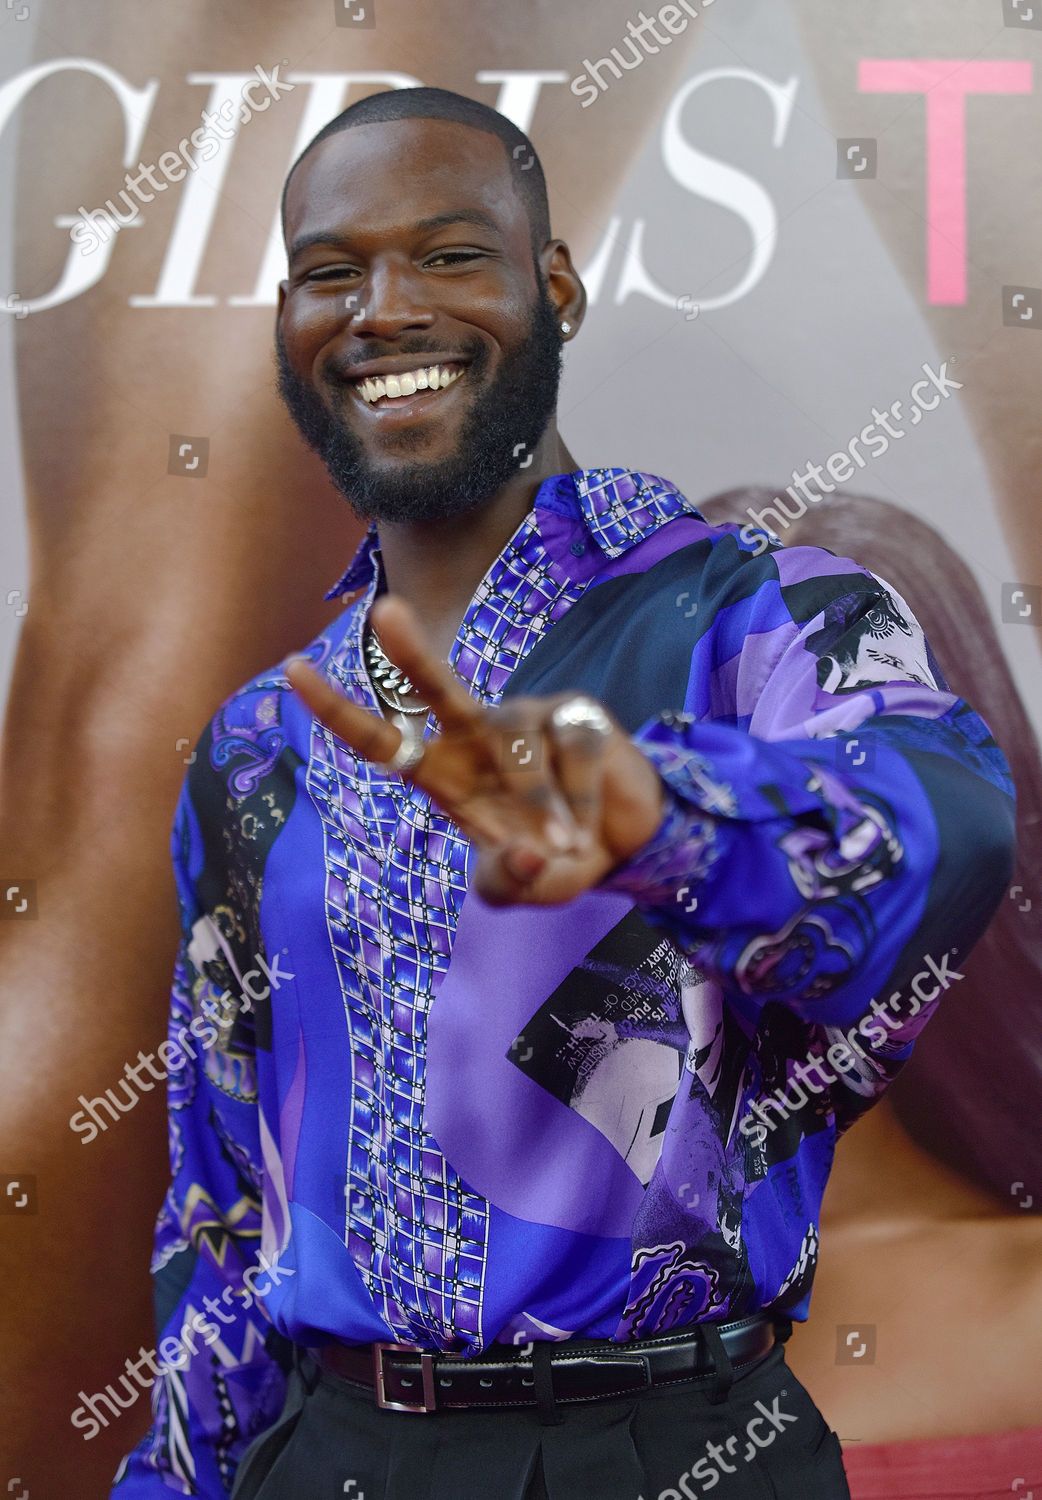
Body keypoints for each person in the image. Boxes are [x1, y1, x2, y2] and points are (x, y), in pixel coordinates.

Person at [111, 88, 1014, 1498]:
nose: (384, 309)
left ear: (556, 288)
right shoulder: (258, 742)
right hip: (328, 1455)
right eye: (330, 271)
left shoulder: (755, 619)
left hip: (670, 1448)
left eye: (450, 254)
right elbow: (223, 1209)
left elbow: (943, 825)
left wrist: (664, 821)